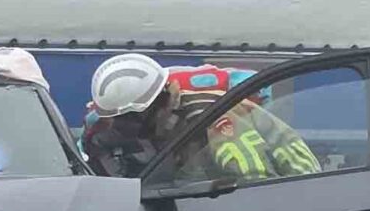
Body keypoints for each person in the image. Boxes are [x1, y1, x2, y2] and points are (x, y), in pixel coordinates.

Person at [80, 54, 319, 183]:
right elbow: (93, 166)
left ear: (164, 100)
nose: (126, 126)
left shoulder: (210, 110)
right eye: (119, 118)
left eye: (134, 117)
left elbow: (253, 178)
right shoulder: (102, 121)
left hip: (295, 179)